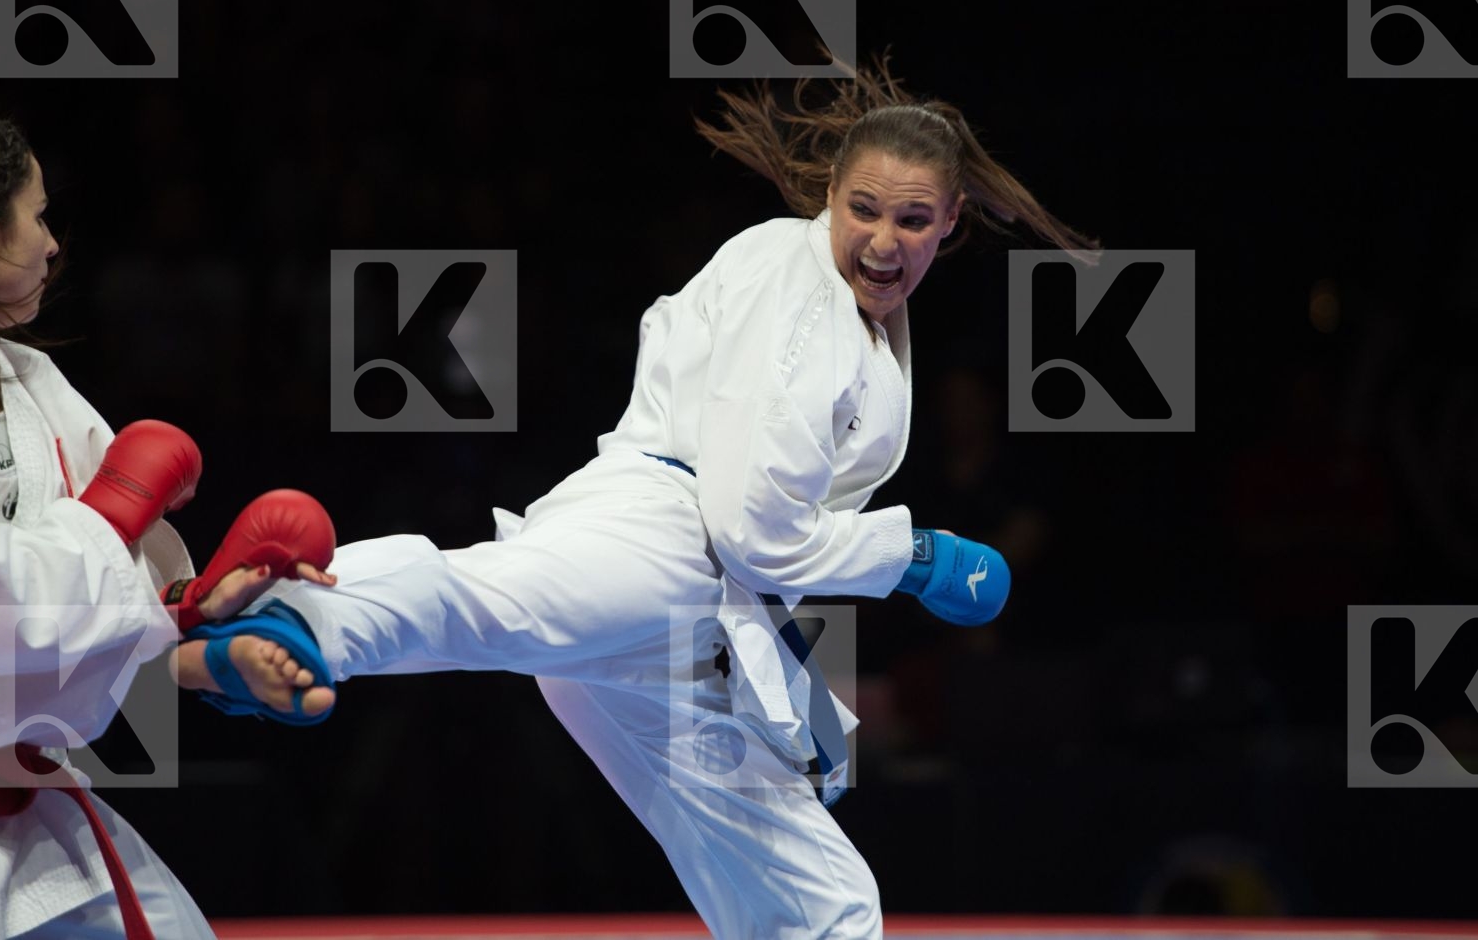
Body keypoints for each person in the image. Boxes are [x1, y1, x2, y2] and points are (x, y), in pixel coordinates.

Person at [244, 54, 1100, 938]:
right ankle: (282, 612)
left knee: (823, 907)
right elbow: (751, 531)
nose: (884, 241)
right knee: (485, 601)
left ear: (950, 221)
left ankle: (293, 612)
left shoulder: (818, 290)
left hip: (684, 614)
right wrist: (916, 556)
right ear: (831, 197)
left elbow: (756, 545)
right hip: (657, 546)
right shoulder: (811, 313)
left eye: (913, 220)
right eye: (865, 211)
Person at [0, 101, 338, 940]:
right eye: (37, 216)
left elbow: (105, 604)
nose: (51, 243)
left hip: (22, 796)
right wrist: (113, 513)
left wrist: (204, 627)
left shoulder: (30, 381)